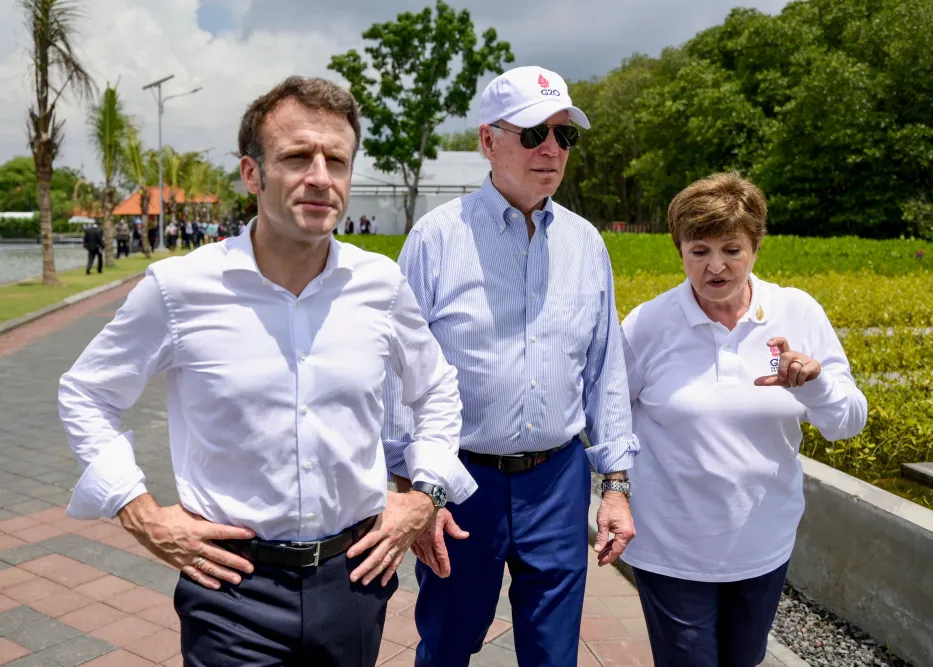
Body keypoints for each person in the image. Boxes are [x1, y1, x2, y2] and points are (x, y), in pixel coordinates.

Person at [58, 75, 476, 667]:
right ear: (252, 174)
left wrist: (427, 493)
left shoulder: (379, 285)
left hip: (354, 577)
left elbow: (436, 389)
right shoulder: (180, 290)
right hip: (232, 585)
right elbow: (87, 393)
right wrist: (139, 511)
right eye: (297, 157)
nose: (320, 178)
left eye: (337, 160)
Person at [382, 65, 638, 667]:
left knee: (553, 653)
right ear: (487, 141)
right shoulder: (436, 240)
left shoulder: (585, 244)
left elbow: (605, 371)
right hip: (460, 482)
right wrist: (412, 490)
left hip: (557, 479)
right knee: (449, 640)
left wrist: (617, 487)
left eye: (563, 136)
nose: (550, 149)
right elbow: (398, 375)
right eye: (532, 134)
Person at [620, 172, 868, 667]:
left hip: (763, 543)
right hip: (671, 546)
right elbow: (608, 419)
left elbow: (848, 421)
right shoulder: (648, 324)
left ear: (755, 247)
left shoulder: (796, 311)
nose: (716, 266)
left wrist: (815, 383)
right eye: (699, 250)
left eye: (732, 249)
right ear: (679, 250)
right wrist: (615, 491)